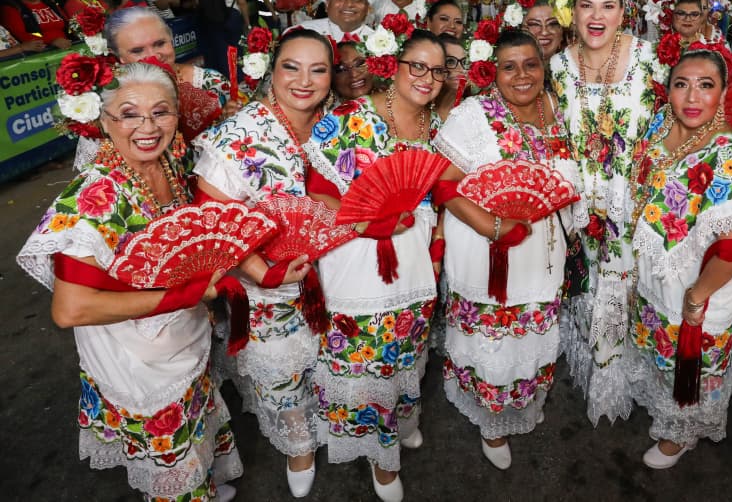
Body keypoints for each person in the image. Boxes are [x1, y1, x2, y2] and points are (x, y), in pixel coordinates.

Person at [17, 61, 243, 501]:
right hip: (134, 360)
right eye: (129, 113)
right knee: (169, 460)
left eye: (161, 112)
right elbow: (70, 310)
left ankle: (205, 482)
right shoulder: (93, 195)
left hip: (181, 338)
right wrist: (183, 294)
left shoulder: (170, 165)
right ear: (103, 121)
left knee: (194, 425)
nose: (148, 126)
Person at [306, 30, 447, 502]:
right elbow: (316, 190)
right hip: (357, 255)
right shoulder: (352, 117)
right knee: (366, 359)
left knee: (405, 349)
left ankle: (403, 419)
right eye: (417, 66)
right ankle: (380, 458)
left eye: (438, 70)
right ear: (396, 64)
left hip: (412, 256)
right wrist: (362, 221)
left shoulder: (434, 126)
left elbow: (433, 195)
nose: (426, 78)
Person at [434, 30, 584, 469]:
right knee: (493, 342)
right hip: (489, 250)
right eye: (509, 66)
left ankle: (522, 403)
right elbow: (443, 185)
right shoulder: (472, 114)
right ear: (492, 72)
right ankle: (491, 423)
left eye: (530, 64)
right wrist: (493, 225)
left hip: (545, 252)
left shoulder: (554, 108)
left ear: (543, 66)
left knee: (530, 336)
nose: (522, 75)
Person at [194, 27, 333, 498]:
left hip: (332, 274)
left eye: (319, 70)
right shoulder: (237, 134)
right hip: (266, 285)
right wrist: (260, 271)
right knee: (282, 371)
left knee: (329, 360)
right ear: (271, 70)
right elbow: (212, 218)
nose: (304, 81)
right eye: (291, 67)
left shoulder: (338, 123)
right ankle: (299, 445)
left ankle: (333, 423)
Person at [628, 50, 732, 469]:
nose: (691, 96)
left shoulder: (730, 157)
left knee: (690, 369)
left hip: (699, 285)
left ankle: (683, 432)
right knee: (659, 357)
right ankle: (666, 411)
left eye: (706, 85)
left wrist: (696, 297)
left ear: (724, 92)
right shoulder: (663, 121)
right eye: (681, 84)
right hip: (658, 273)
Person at [549, 0, 665, 424]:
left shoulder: (649, 60)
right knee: (582, 280)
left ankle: (616, 377)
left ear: (623, 12)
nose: (596, 16)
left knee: (622, 285)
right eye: (586, 5)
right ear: (573, 12)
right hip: (576, 198)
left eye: (607, 6)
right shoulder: (558, 66)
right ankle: (587, 363)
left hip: (630, 199)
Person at [71, 8, 235, 172]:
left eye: (160, 43)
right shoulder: (108, 99)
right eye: (137, 50)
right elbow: (97, 168)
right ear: (117, 56)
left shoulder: (211, 83)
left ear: (172, 39)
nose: (153, 55)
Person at [198, 0, 249, 77]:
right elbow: (241, 2)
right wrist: (247, 23)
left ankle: (216, 81)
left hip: (209, 20)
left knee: (214, 50)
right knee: (234, 50)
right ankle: (235, 80)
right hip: (231, 19)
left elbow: (197, 1)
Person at [0, 0, 70, 48]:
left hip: (67, 46)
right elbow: (22, 36)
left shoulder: (51, 4)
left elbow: (69, 26)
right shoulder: (11, 9)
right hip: (40, 54)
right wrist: (52, 41)